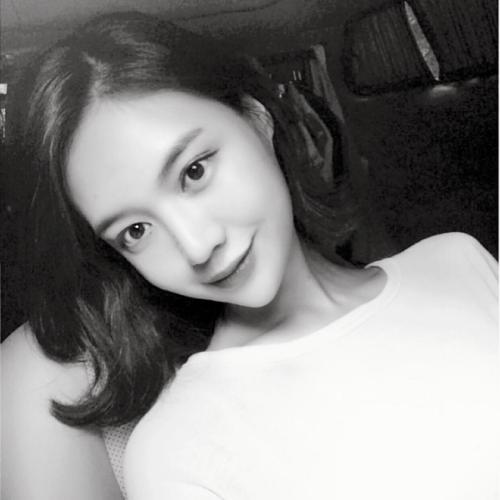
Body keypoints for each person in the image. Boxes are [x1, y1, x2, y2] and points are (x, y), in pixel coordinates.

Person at [1, 11, 497, 500]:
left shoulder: (456, 261)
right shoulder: (175, 449)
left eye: (194, 172)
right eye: (136, 231)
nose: (197, 245)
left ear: (257, 119)